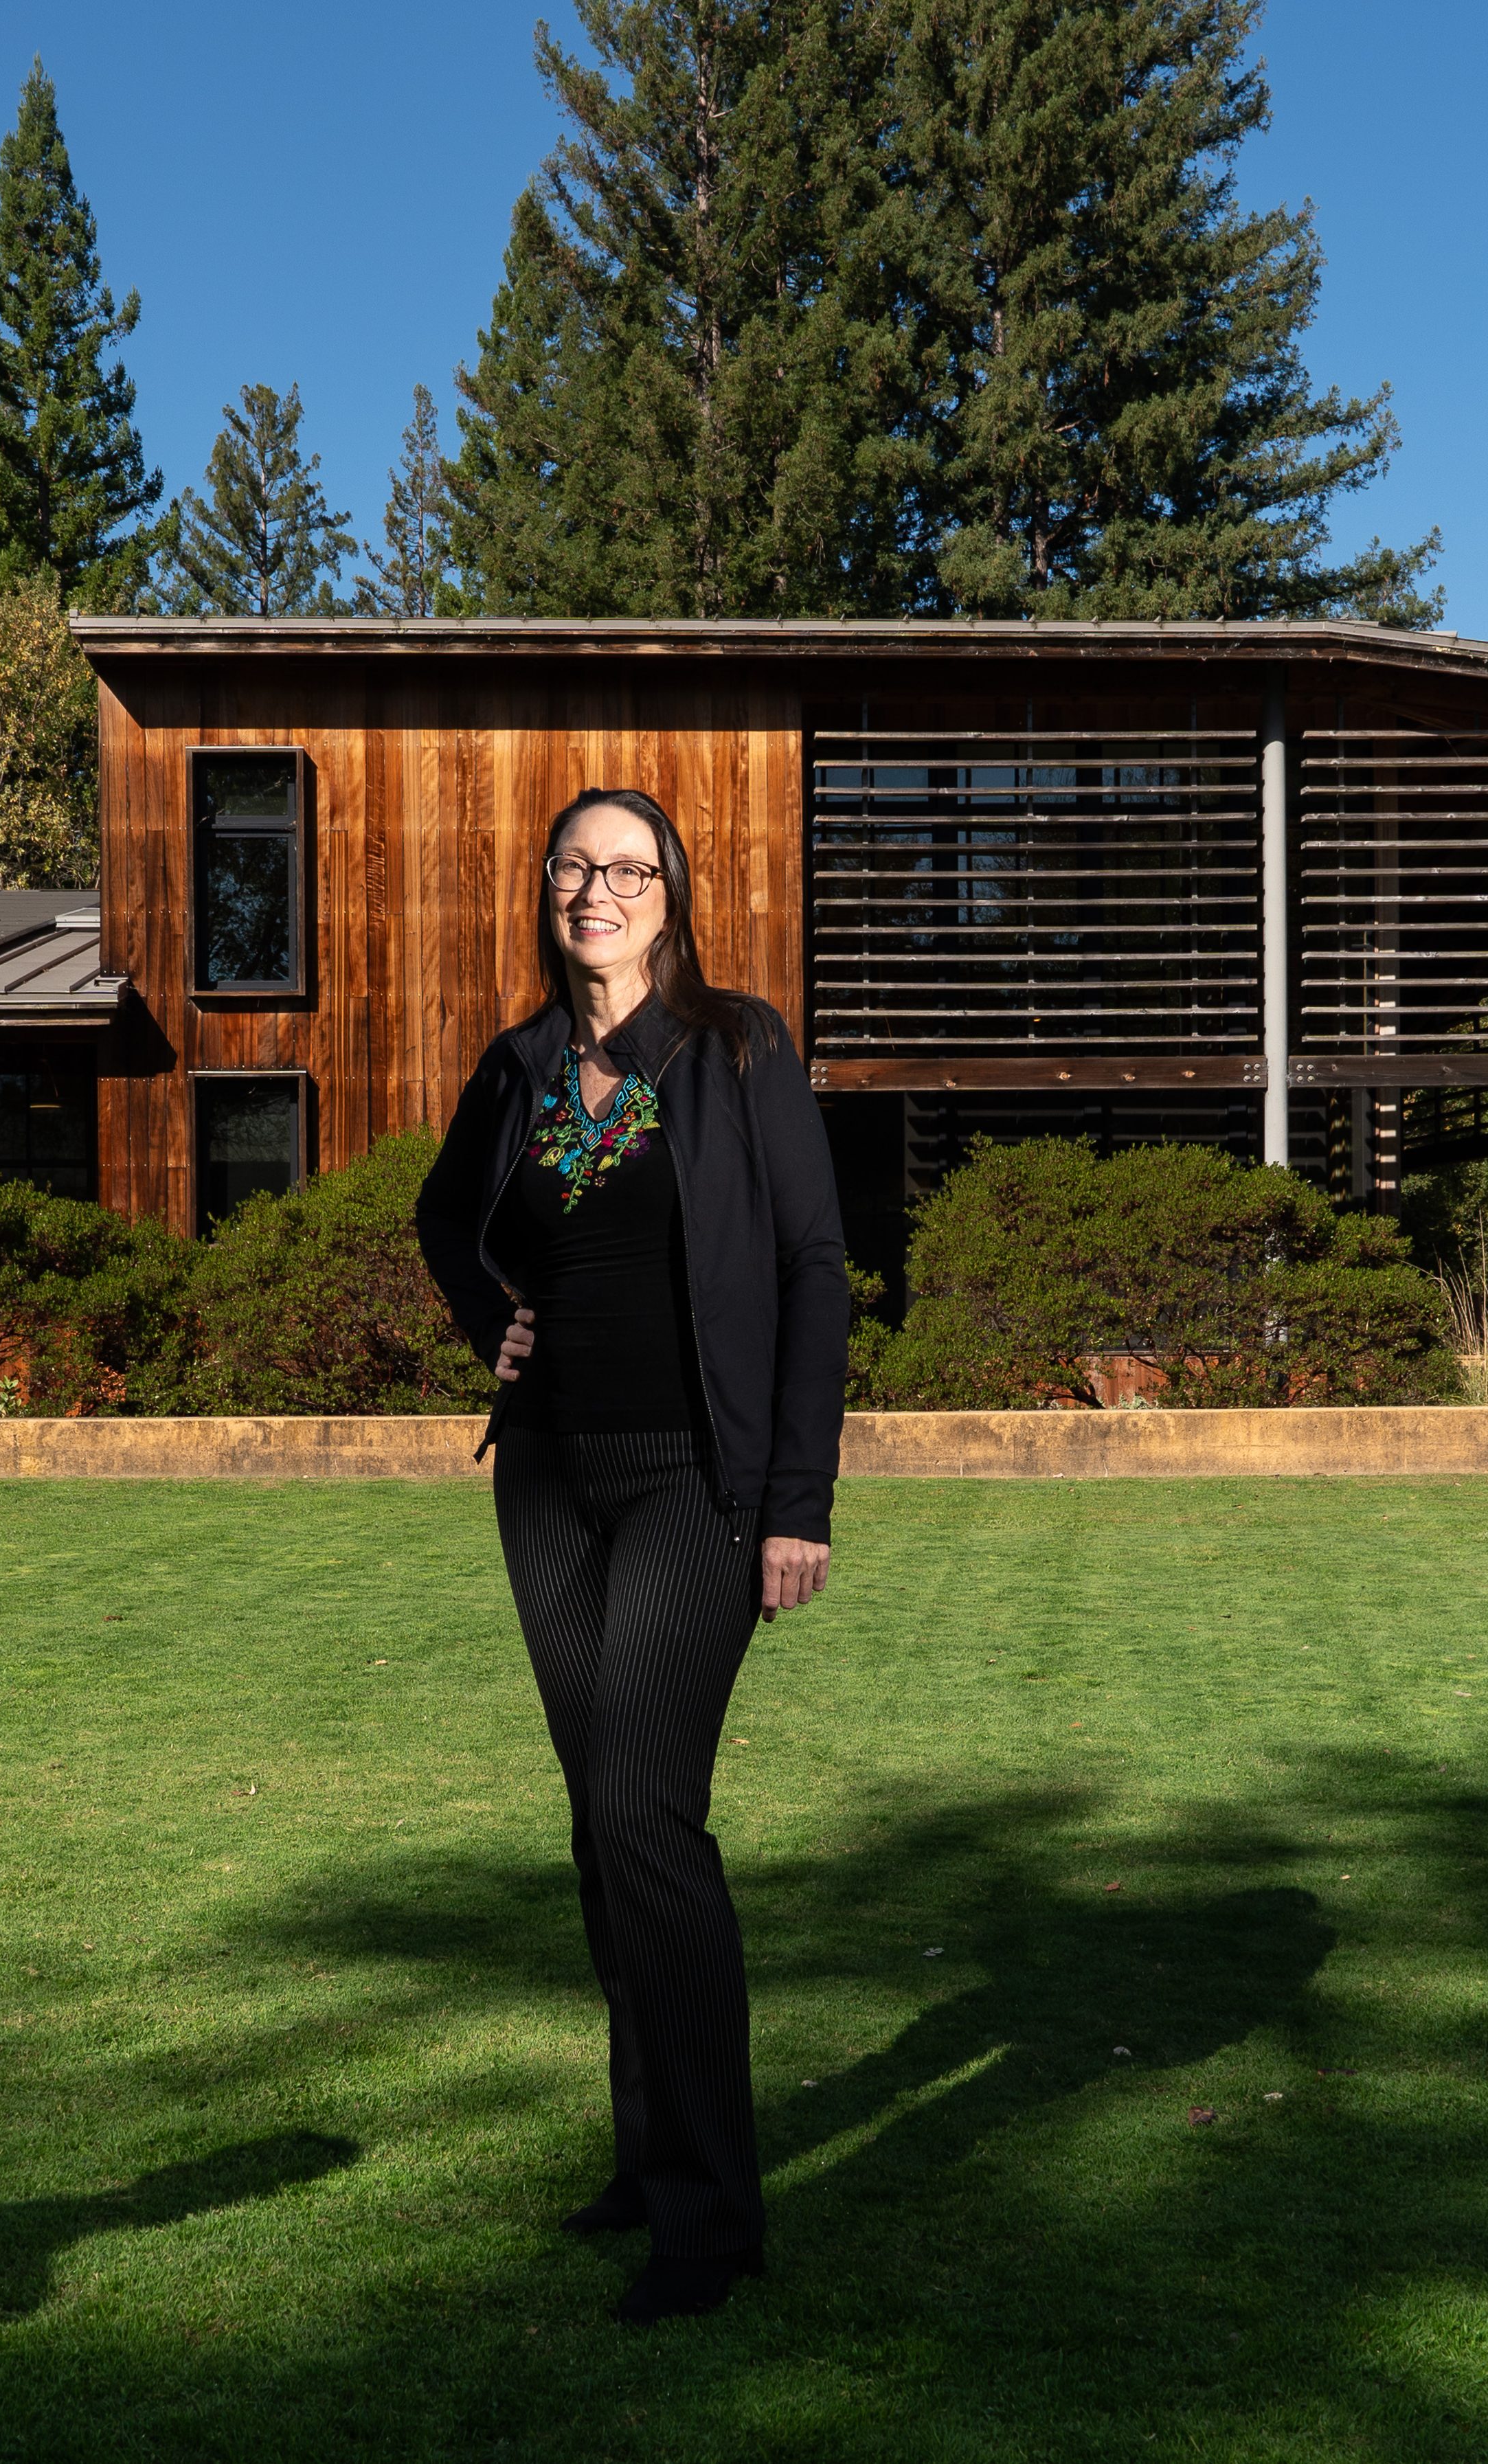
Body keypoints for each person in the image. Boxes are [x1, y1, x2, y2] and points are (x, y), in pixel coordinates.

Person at [414, 787, 848, 2325]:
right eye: (572, 866)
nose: (594, 890)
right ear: (544, 887)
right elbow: (441, 1219)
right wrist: (494, 1320)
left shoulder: (736, 1049)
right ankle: (645, 2150)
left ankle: (710, 2218)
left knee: (645, 1813)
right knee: (599, 1831)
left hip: (696, 1483)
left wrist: (795, 1498)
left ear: (672, 895)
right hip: (544, 1482)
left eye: (626, 869)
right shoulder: (522, 1063)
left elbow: (809, 1266)